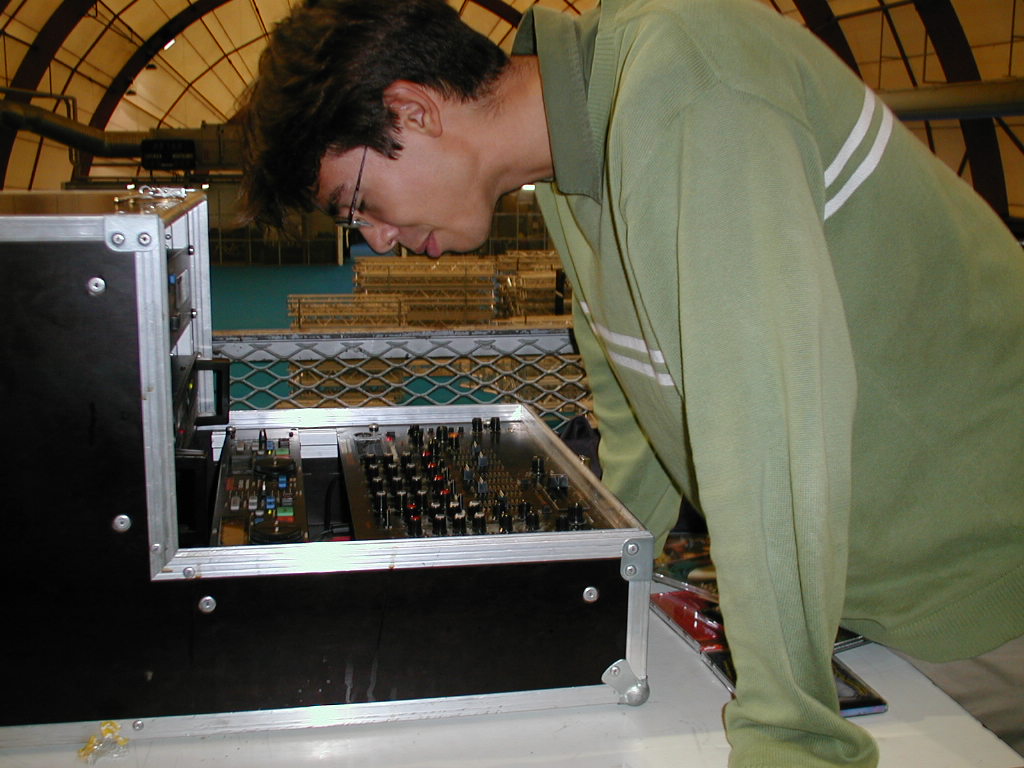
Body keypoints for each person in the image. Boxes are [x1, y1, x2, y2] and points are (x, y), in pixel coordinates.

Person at [239, 0, 1024, 765]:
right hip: (863, 598)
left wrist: (792, 737)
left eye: (359, 205)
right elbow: (630, 397)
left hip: (981, 586)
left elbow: (769, 432)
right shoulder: (576, 162)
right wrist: (599, 589)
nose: (378, 240)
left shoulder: (692, 87)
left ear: (411, 111)